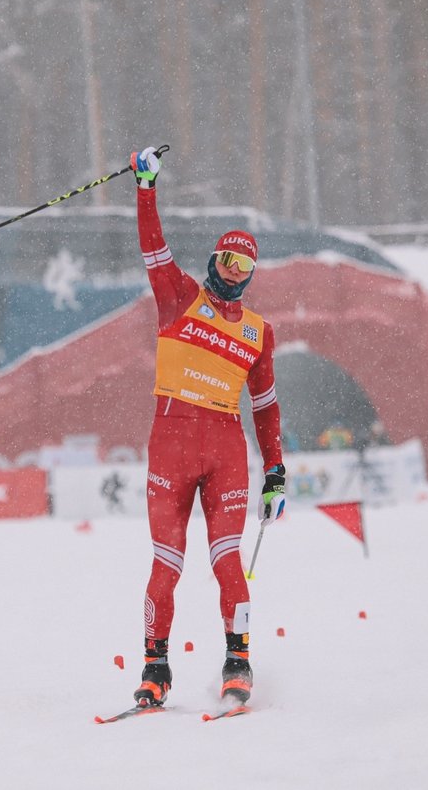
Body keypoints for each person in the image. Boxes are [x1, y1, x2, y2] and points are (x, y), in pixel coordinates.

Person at [126, 146, 286, 709]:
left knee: (226, 561)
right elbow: (153, 249)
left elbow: (265, 407)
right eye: (226, 261)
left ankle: (238, 663)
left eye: (243, 267)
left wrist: (276, 473)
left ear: (252, 274)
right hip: (169, 443)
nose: (231, 273)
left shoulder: (259, 334)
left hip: (225, 449)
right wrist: (146, 187)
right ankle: (155, 668)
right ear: (214, 260)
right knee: (166, 563)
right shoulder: (181, 297)